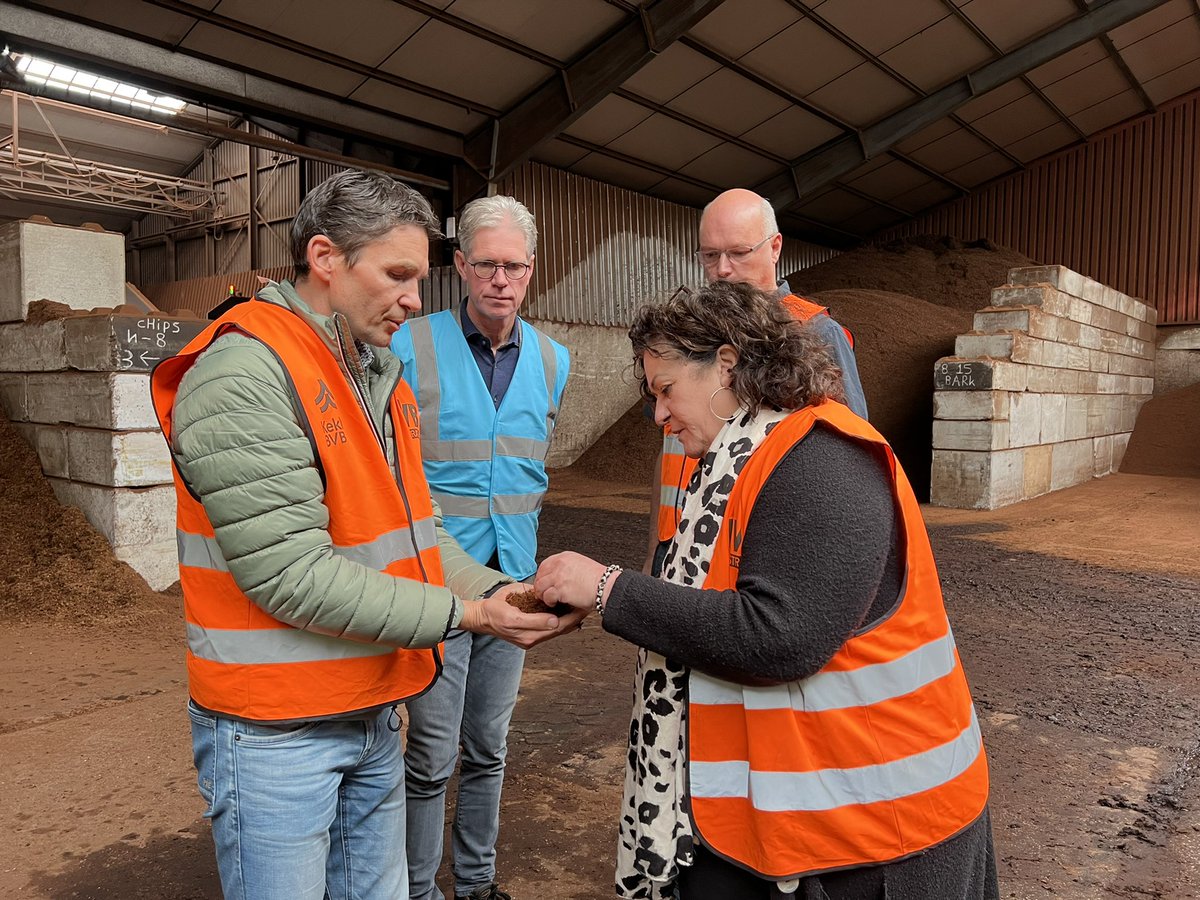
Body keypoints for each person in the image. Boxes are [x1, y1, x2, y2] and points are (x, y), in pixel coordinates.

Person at [150, 170, 582, 900]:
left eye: (419, 278)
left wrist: (508, 591)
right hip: (277, 731)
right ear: (325, 257)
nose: (415, 299)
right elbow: (289, 575)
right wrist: (468, 613)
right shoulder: (244, 372)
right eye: (398, 275)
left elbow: (420, 532)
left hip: (369, 708)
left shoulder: (374, 372)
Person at [536, 282, 998, 900]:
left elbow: (780, 636)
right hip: (806, 819)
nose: (659, 416)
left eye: (666, 390)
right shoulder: (743, 459)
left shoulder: (821, 461)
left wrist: (609, 590)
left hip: (883, 834)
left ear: (726, 365)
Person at [391, 195, 570, 900]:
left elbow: (529, 468)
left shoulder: (553, 360)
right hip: (436, 583)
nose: (501, 279)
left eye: (514, 267)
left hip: (515, 583)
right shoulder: (408, 345)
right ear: (461, 265)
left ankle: (476, 883)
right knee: (431, 754)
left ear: (531, 270)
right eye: (487, 264)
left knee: (489, 748)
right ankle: (416, 889)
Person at [644, 187, 868, 575]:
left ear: (775, 247)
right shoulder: (693, 336)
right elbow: (669, 454)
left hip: (754, 556)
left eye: (738, 252)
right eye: (710, 255)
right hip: (680, 548)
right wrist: (655, 553)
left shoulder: (815, 333)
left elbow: (850, 465)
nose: (722, 269)